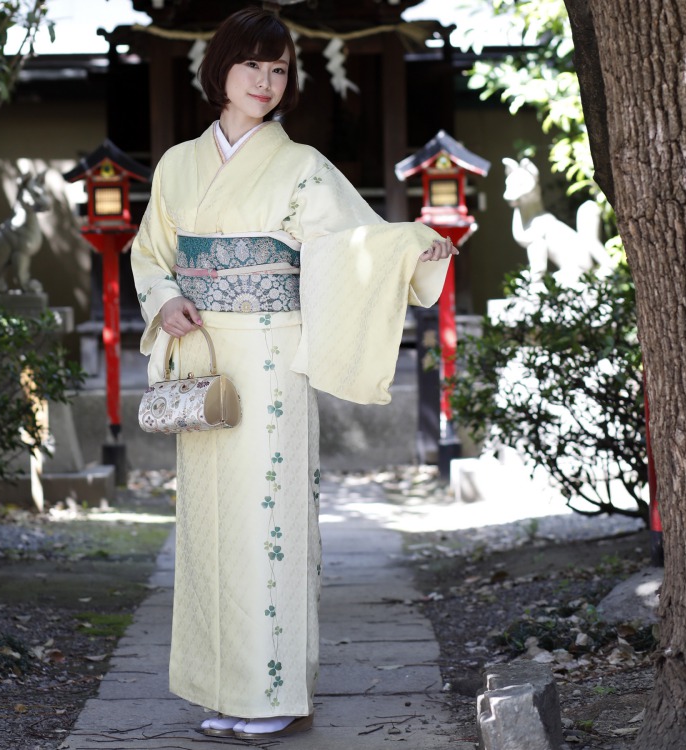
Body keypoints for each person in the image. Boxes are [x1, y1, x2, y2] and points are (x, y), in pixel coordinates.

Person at [131, 6, 457, 741]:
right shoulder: (179, 164)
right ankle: (225, 687)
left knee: (268, 521)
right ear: (221, 69)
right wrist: (167, 296)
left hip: (271, 359)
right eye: (252, 65)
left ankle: (276, 691)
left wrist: (411, 248)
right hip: (204, 353)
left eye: (279, 70)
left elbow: (351, 244)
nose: (266, 82)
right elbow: (150, 252)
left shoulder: (301, 165)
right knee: (210, 530)